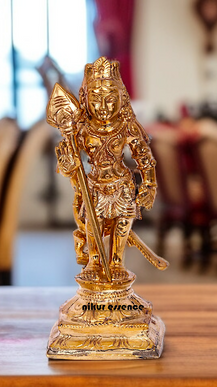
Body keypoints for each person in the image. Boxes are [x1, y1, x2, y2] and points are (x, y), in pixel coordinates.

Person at [55, 57, 157, 279]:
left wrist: (149, 184)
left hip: (122, 185)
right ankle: (94, 262)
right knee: (94, 225)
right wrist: (68, 164)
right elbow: (69, 161)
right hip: (94, 186)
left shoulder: (127, 126)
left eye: (110, 99)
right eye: (95, 99)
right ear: (86, 99)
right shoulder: (82, 129)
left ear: (121, 99)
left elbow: (144, 157)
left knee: (123, 223)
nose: (103, 107)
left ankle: (117, 262)